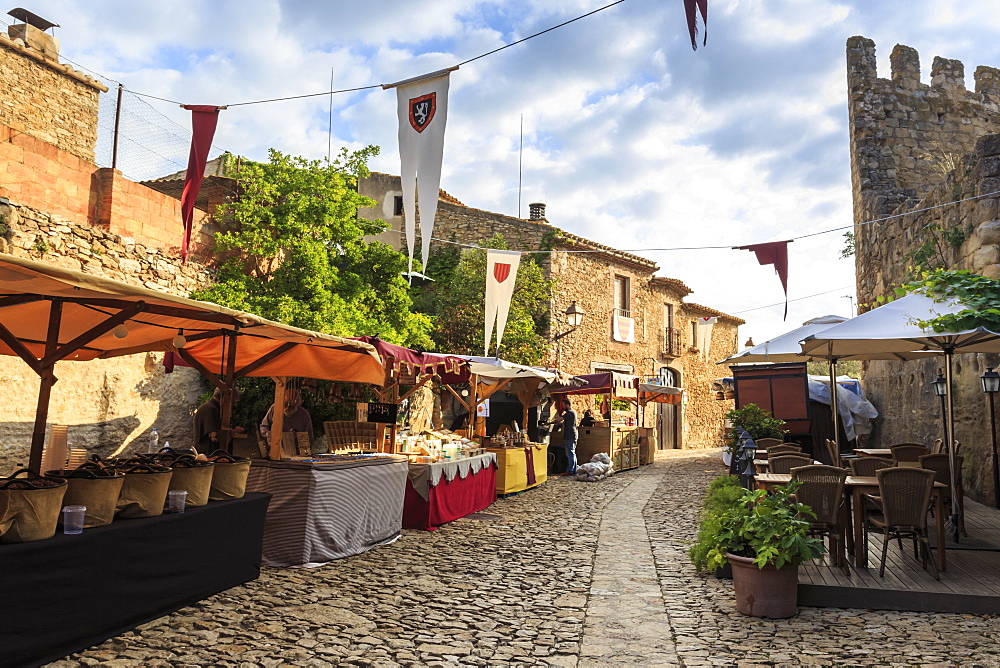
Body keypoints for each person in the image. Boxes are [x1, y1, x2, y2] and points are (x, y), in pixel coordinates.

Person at [193, 387, 243, 453]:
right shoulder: (210, 409)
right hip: (209, 456)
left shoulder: (213, 408)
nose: (232, 405)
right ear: (225, 399)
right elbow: (214, 437)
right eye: (232, 402)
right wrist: (232, 432)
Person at [550, 400, 578, 475]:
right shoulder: (574, 412)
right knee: (572, 453)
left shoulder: (569, 413)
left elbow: (559, 420)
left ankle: (570, 471)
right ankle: (573, 470)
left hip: (570, 435)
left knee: (570, 453)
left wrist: (549, 422)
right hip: (573, 434)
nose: (563, 407)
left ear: (567, 405)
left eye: (563, 405)